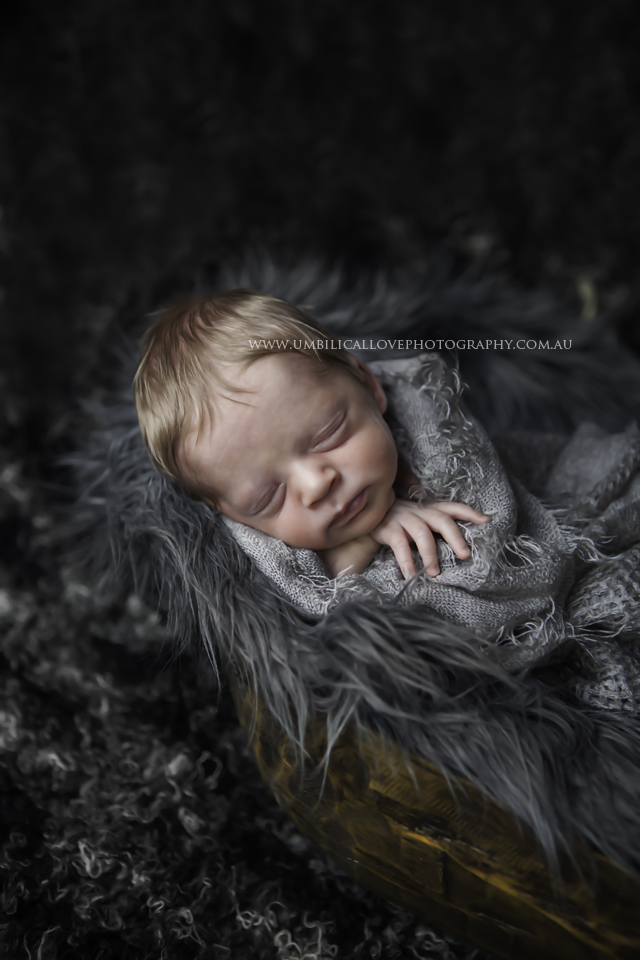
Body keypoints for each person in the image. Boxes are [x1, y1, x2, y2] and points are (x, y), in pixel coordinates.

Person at [133, 290, 490, 580]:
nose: (316, 485)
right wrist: (359, 545)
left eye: (328, 435)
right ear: (230, 513)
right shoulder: (255, 561)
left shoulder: (429, 420)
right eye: (268, 497)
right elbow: (308, 612)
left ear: (368, 386)